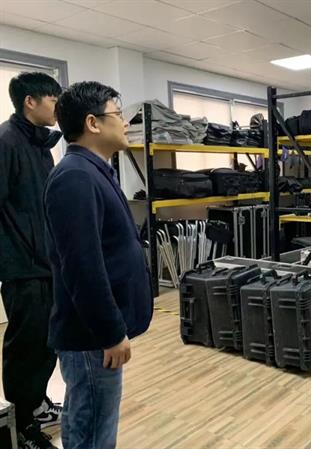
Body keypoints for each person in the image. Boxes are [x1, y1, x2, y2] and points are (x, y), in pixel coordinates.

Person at [44, 81, 153, 449]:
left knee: (92, 423)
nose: (126, 123)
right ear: (92, 123)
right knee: (92, 432)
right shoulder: (75, 177)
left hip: (95, 334)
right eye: (118, 115)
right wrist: (110, 332)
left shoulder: (94, 171)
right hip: (90, 337)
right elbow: (82, 267)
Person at [0, 72, 63, 449]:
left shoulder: (39, 143)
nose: (58, 106)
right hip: (23, 267)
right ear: (30, 101)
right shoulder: (6, 142)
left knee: (45, 342)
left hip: (46, 262)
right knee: (26, 347)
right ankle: (22, 426)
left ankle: (36, 404)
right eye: (53, 99)